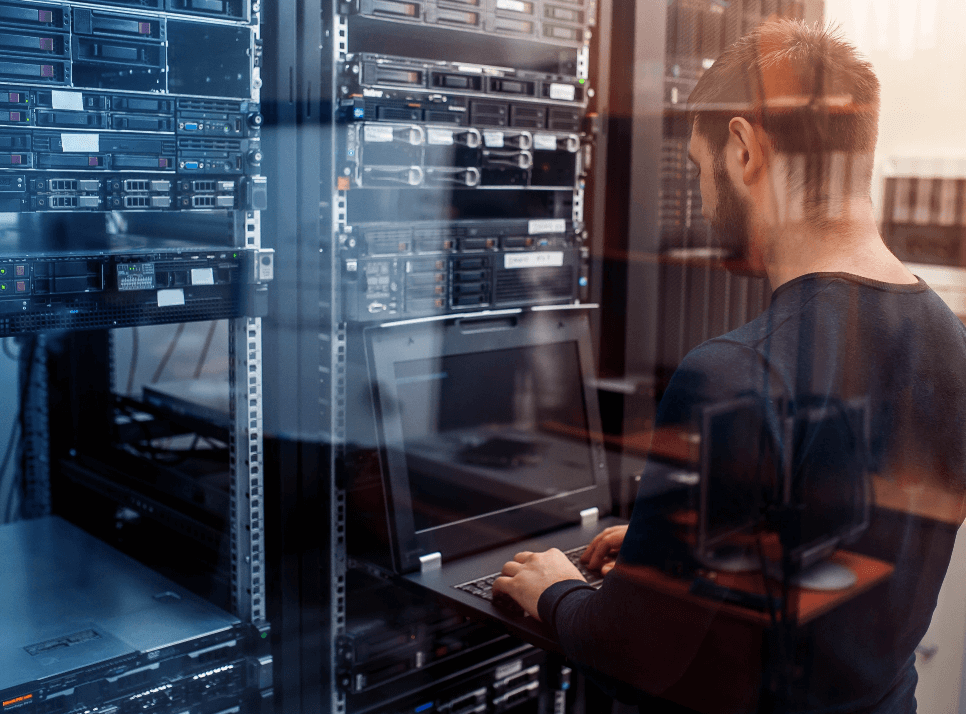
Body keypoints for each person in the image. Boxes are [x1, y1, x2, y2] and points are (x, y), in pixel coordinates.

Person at [492, 19, 966, 713]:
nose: (706, 196)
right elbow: (843, 536)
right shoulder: (950, 339)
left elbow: (636, 654)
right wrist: (670, 548)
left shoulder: (734, 371)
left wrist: (555, 590)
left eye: (698, 166)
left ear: (743, 149)